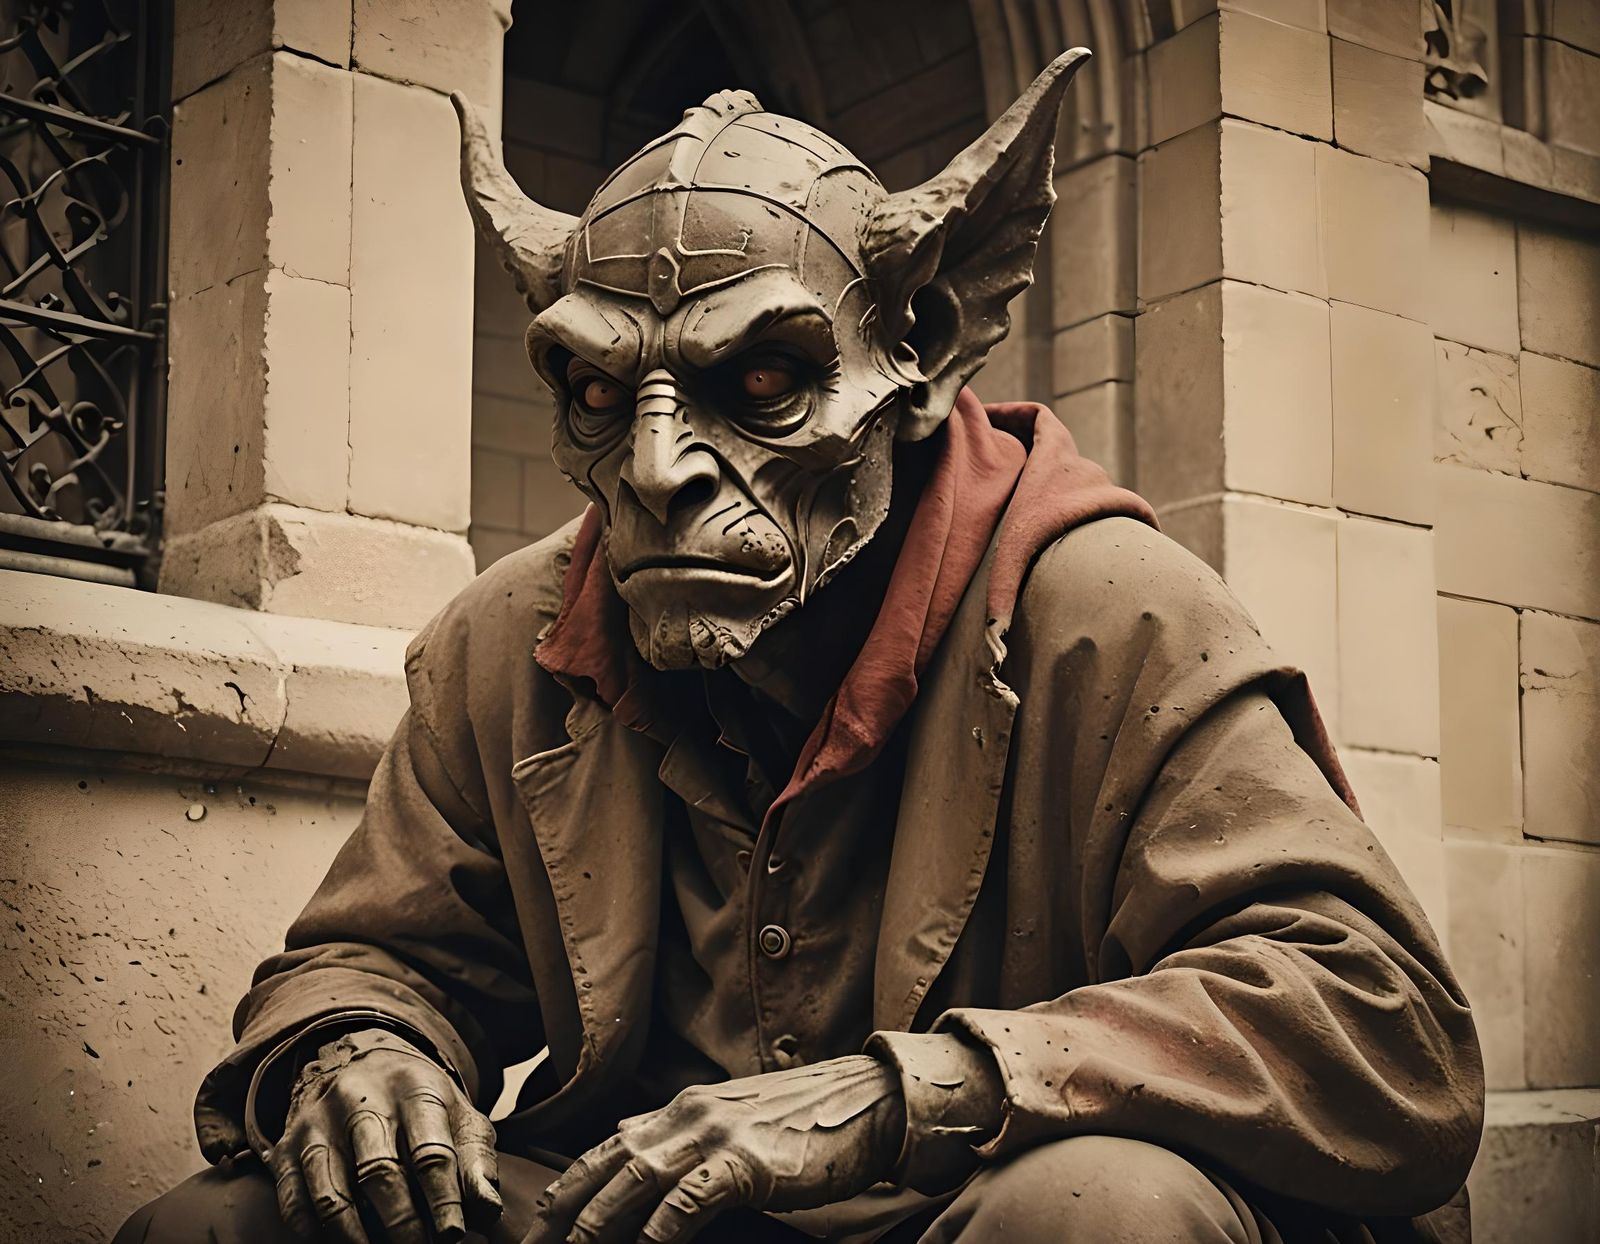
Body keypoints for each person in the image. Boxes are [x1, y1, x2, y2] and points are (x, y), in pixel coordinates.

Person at [117, 48, 1482, 1244]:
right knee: (225, 1225)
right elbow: (374, 957)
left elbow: (1382, 1026)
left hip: (986, 1199)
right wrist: (361, 1055)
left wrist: (912, 1097)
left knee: (1095, 1215)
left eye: (759, 380)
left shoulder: (1111, 614)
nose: (656, 470)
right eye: (601, 389)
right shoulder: (508, 641)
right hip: (656, 1207)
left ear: (922, 352)